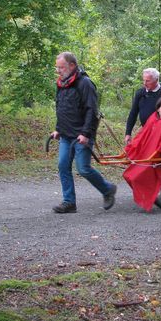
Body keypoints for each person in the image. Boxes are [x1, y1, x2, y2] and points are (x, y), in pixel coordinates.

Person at [50, 52, 117, 214]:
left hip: (82, 135)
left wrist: (86, 134)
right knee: (63, 166)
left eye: (61, 67)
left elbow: (92, 111)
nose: (58, 71)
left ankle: (108, 190)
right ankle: (69, 202)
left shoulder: (85, 83)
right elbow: (62, 109)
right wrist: (58, 129)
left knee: (84, 169)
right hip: (66, 135)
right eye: (57, 67)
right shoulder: (61, 84)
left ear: (72, 66)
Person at [125, 68, 161, 145]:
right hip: (146, 131)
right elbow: (133, 114)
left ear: (156, 80)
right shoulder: (140, 93)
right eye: (143, 80)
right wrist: (128, 133)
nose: (144, 83)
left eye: (148, 81)